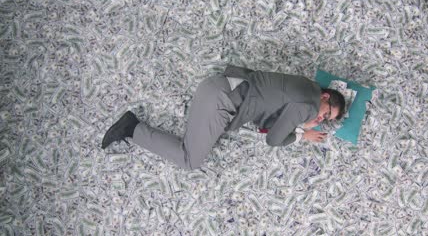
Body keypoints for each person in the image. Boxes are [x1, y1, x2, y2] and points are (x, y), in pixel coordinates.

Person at [101, 65, 346, 170]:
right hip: (220, 101)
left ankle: (133, 127)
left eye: (326, 119)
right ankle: (131, 128)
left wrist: (301, 122)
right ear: (324, 96)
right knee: (190, 160)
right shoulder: (308, 104)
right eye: (326, 113)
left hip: (221, 87)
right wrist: (302, 134)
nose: (321, 117)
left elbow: (272, 115)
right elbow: (273, 139)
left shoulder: (306, 86)